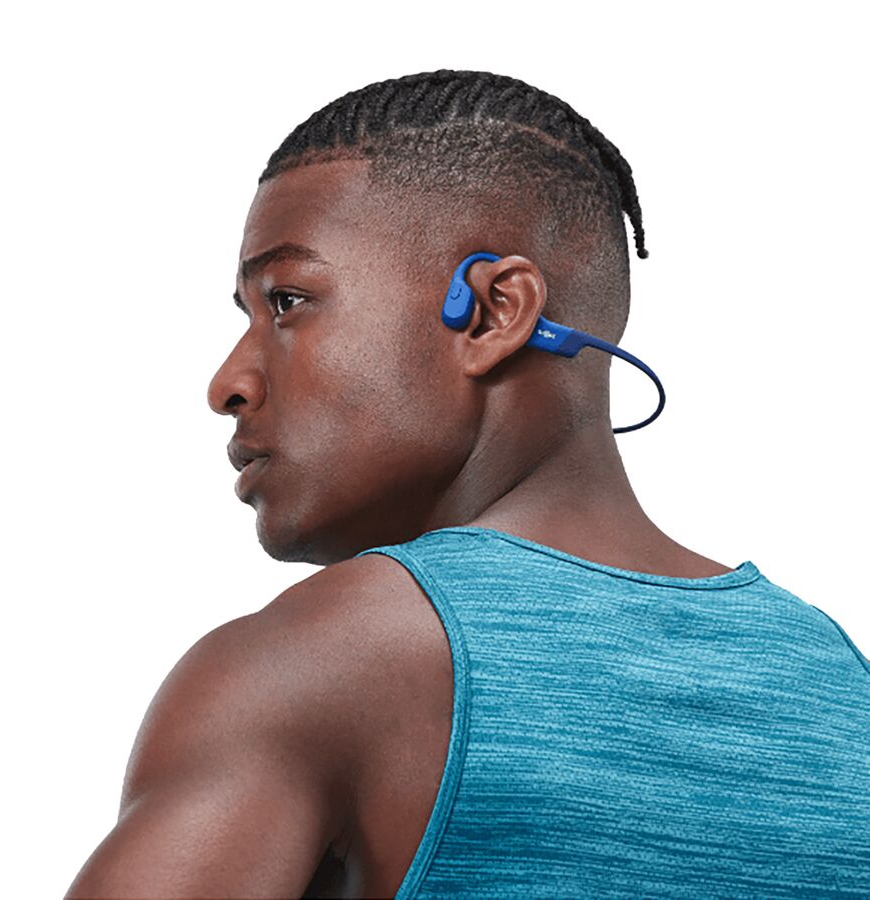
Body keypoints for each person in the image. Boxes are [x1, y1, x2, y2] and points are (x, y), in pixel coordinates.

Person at [65, 69, 870, 899]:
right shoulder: (841, 678)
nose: (228, 383)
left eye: (287, 301)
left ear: (490, 313)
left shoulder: (308, 670)